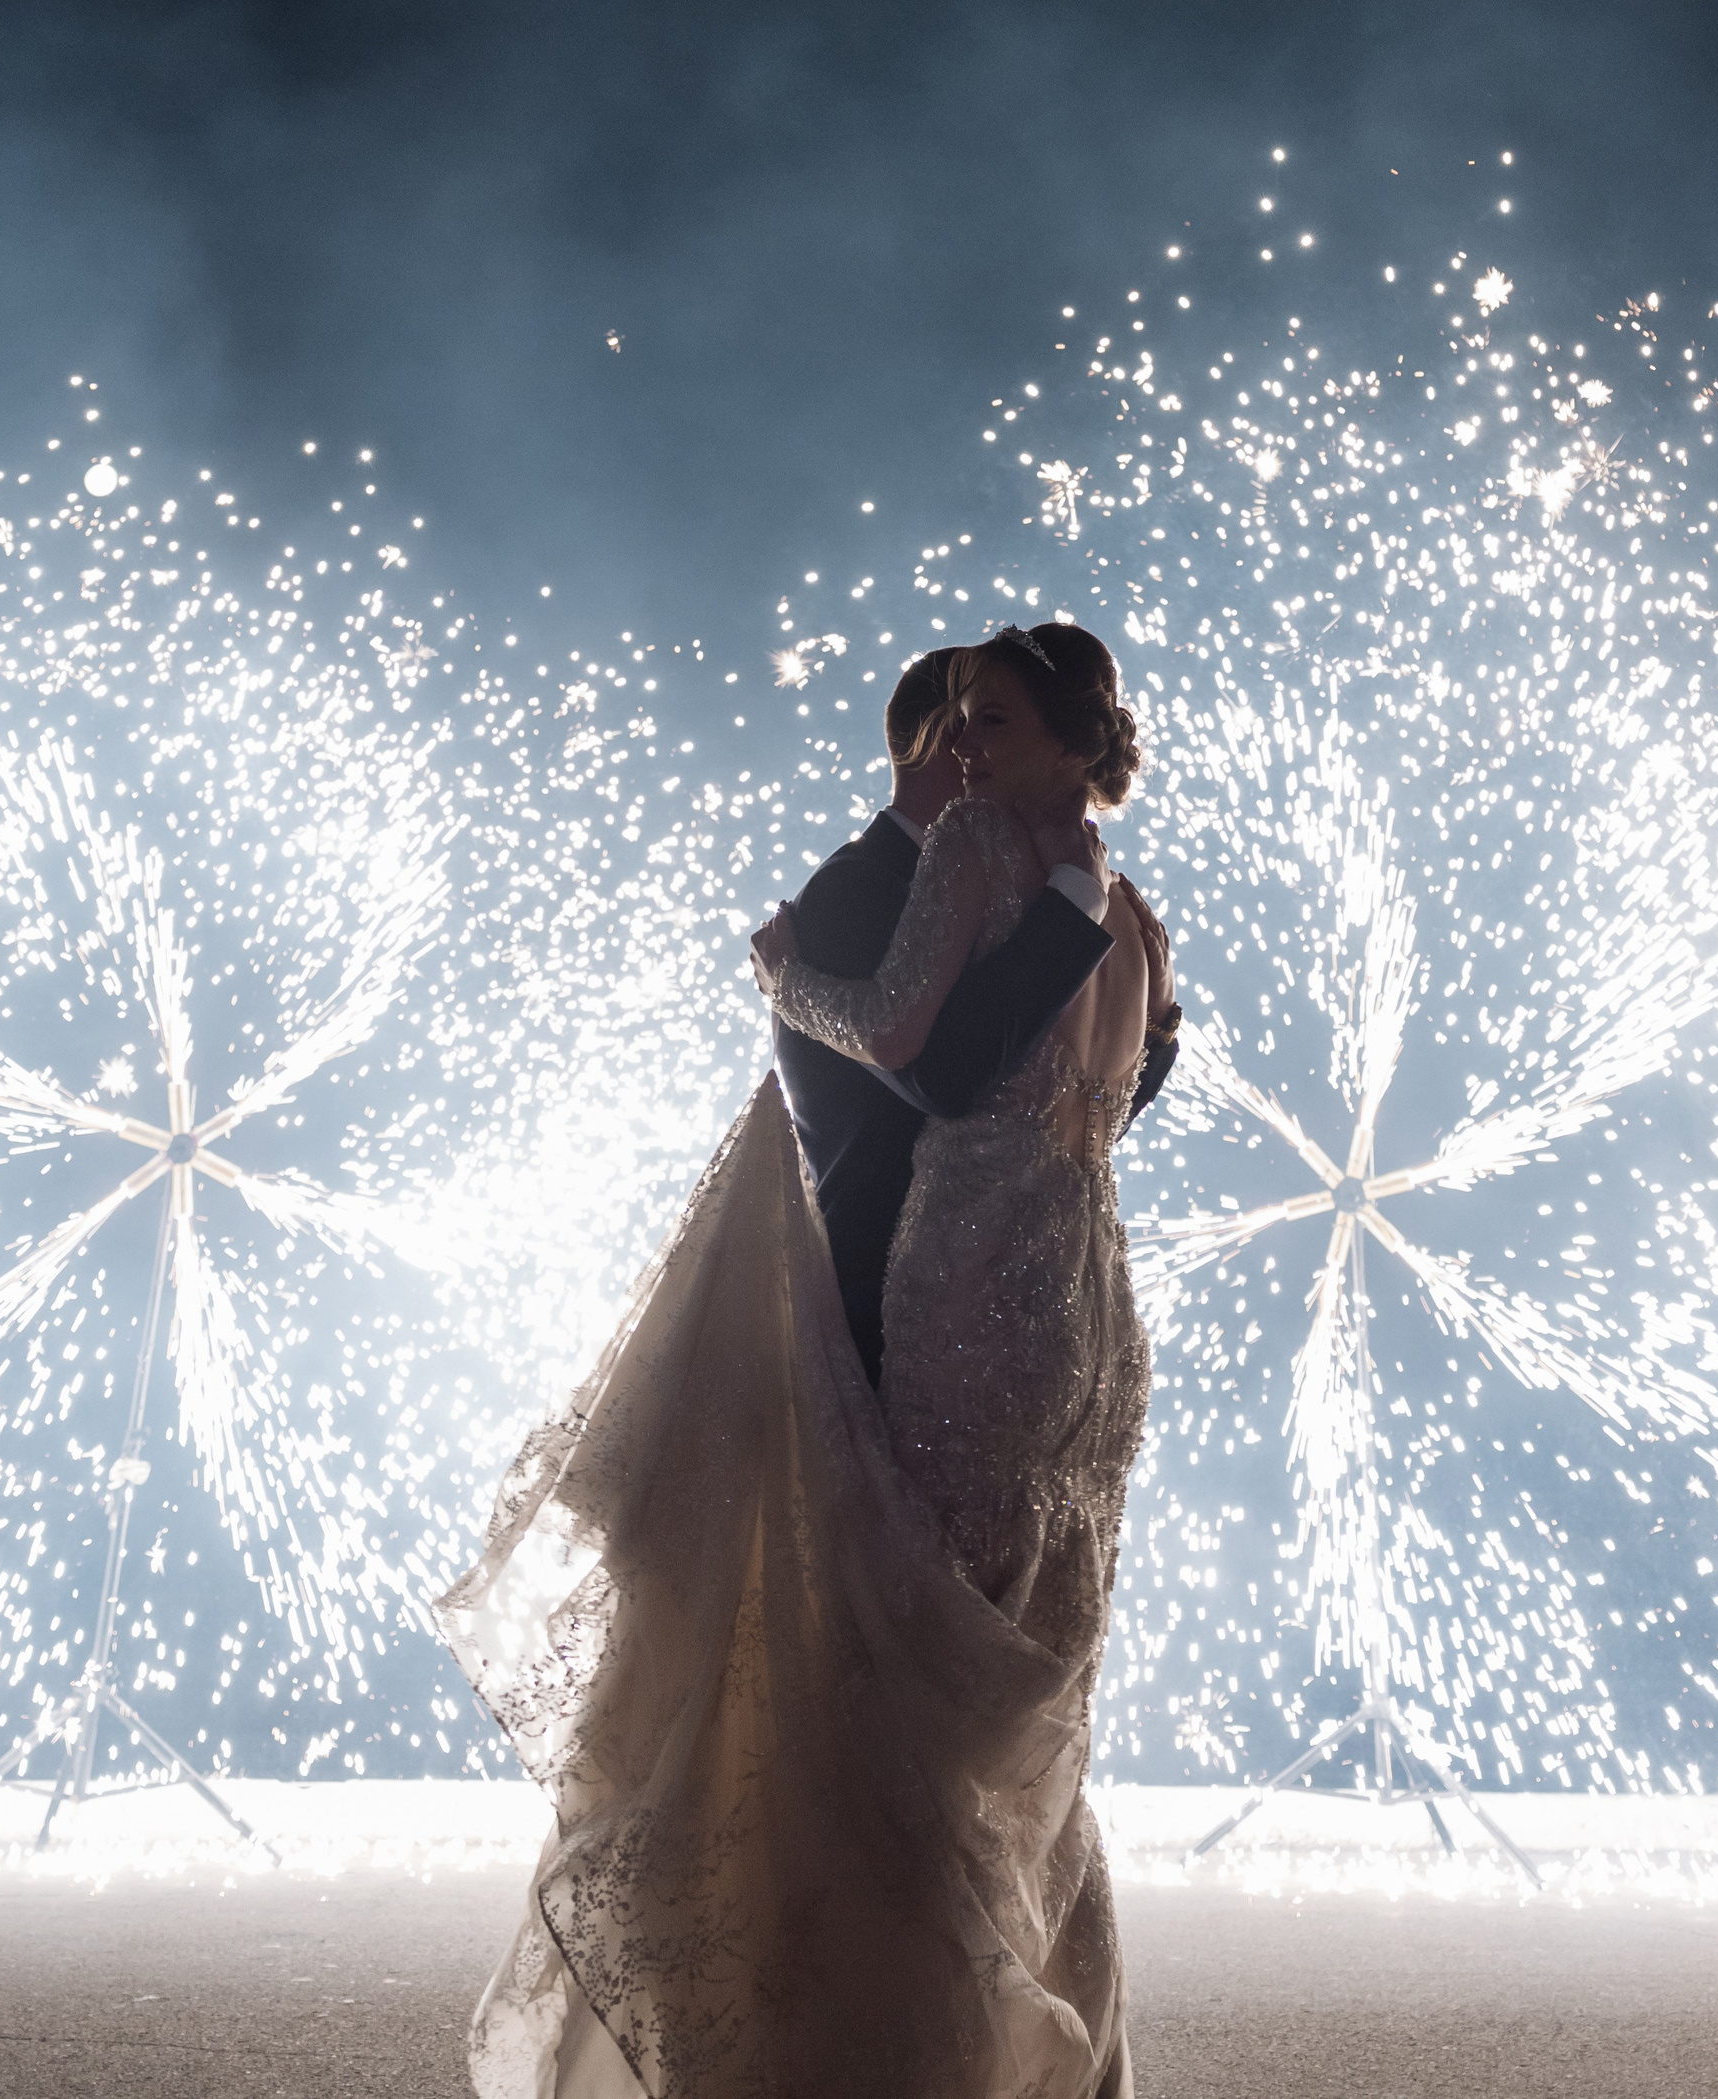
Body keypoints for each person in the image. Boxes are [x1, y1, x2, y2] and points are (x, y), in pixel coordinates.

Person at [437, 622, 1170, 2099]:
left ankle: (916, 2034)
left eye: (995, 723)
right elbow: (1133, 1071)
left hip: (960, 1294)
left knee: (915, 1673)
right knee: (1016, 1675)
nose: (969, 754)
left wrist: (780, 974)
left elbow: (919, 1054)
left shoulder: (976, 860)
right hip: (1085, 1305)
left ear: (1068, 740)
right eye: (958, 724)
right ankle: (1017, 2025)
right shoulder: (1128, 906)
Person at [769, 647, 1178, 1387]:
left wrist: (1156, 1027)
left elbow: (1062, 1110)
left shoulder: (1038, 883)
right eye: (975, 718)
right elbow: (944, 1074)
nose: (975, 746)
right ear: (940, 737)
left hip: (1034, 1296)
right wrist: (786, 984)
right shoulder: (855, 888)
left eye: (995, 719)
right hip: (884, 1305)